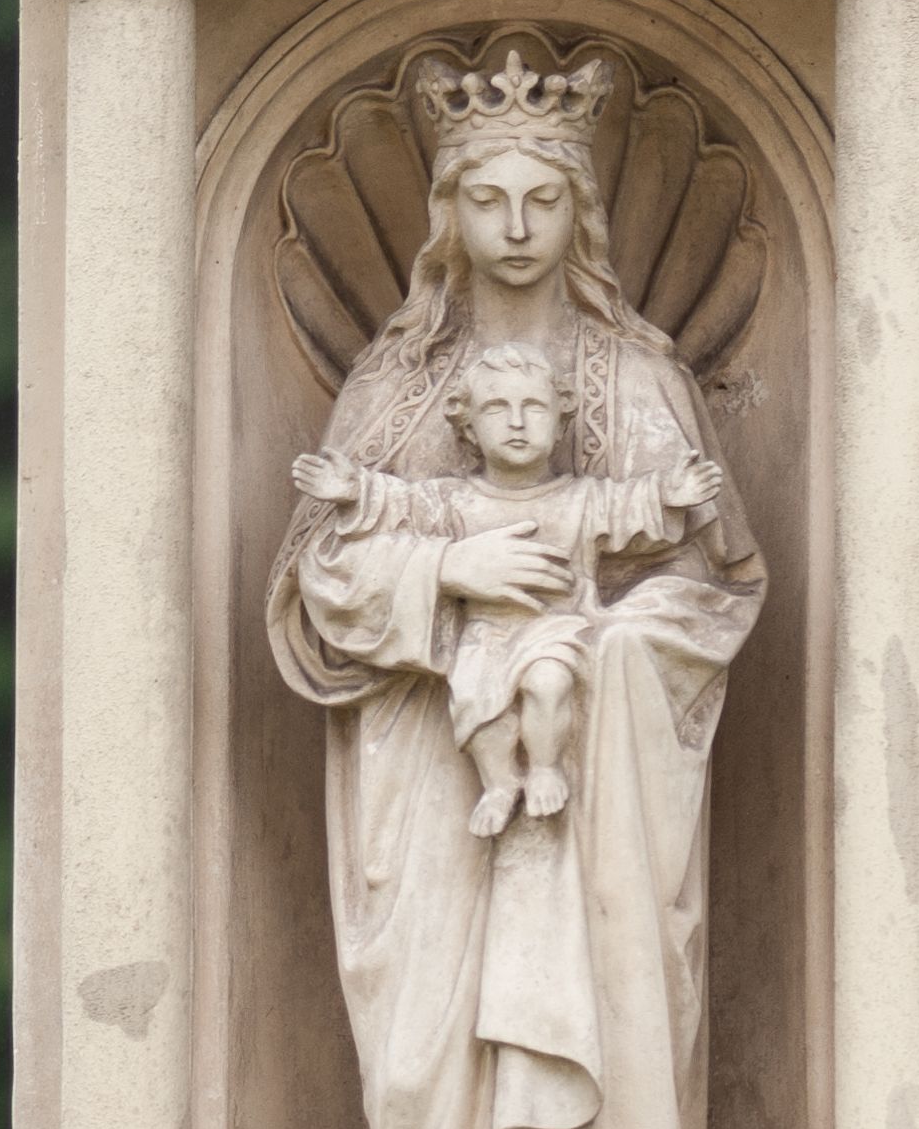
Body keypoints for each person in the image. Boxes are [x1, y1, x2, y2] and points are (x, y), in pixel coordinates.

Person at [267, 44, 765, 1129]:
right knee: (425, 1093)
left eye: (544, 196)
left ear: (584, 207)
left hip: (597, 800)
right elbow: (314, 586)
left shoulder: (637, 381)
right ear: (445, 210)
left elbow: (713, 583)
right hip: (426, 793)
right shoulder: (398, 382)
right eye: (486, 197)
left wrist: (599, 652)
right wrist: (452, 570)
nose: (517, 224)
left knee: (590, 1083)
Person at [291, 334, 724, 837]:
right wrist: (355, 491)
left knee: (548, 684)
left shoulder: (581, 498)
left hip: (555, 627)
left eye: (534, 408)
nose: (517, 422)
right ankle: (500, 783)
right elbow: (402, 503)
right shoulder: (453, 500)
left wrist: (668, 495)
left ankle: (545, 768)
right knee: (480, 712)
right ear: (469, 429)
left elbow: (627, 507)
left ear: (560, 422)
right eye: (497, 409)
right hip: (484, 636)